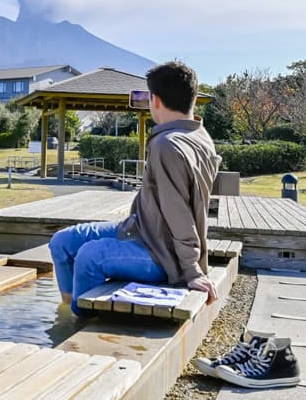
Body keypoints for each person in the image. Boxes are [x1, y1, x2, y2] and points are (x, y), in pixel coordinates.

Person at [49, 61, 222, 316]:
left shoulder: (168, 145)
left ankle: (81, 323)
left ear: (155, 100)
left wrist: (191, 270)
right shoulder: (198, 133)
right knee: (62, 242)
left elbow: (180, 214)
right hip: (141, 230)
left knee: (88, 257)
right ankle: (69, 308)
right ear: (194, 98)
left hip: (163, 254)